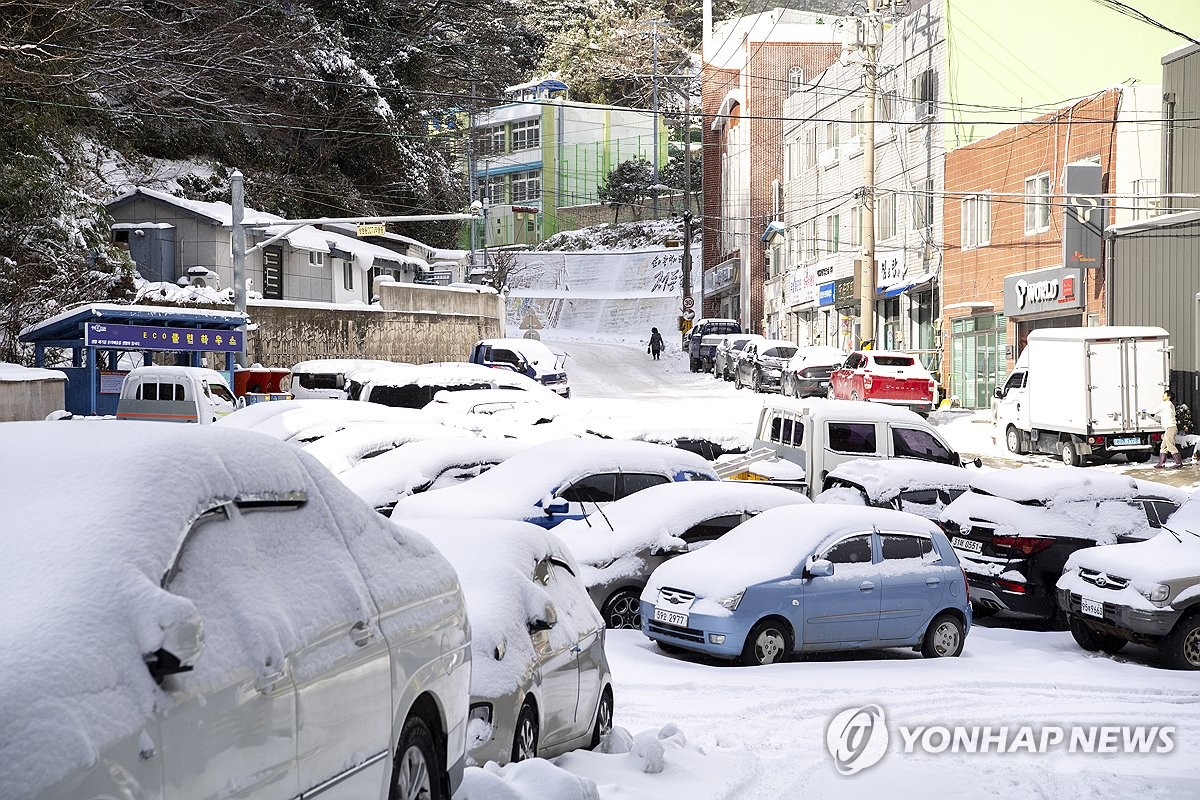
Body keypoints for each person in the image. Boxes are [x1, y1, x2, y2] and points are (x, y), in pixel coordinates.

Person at [1153, 389, 1183, 469]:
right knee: (1164, 446)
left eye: (1164, 394)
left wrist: (1147, 411)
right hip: (1169, 428)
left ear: (1168, 397)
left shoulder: (1166, 404)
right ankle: (1161, 464)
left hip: (1170, 427)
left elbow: (1155, 410)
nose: (1162, 396)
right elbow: (1162, 415)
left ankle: (1178, 462)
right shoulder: (1169, 405)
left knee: (1170, 445)